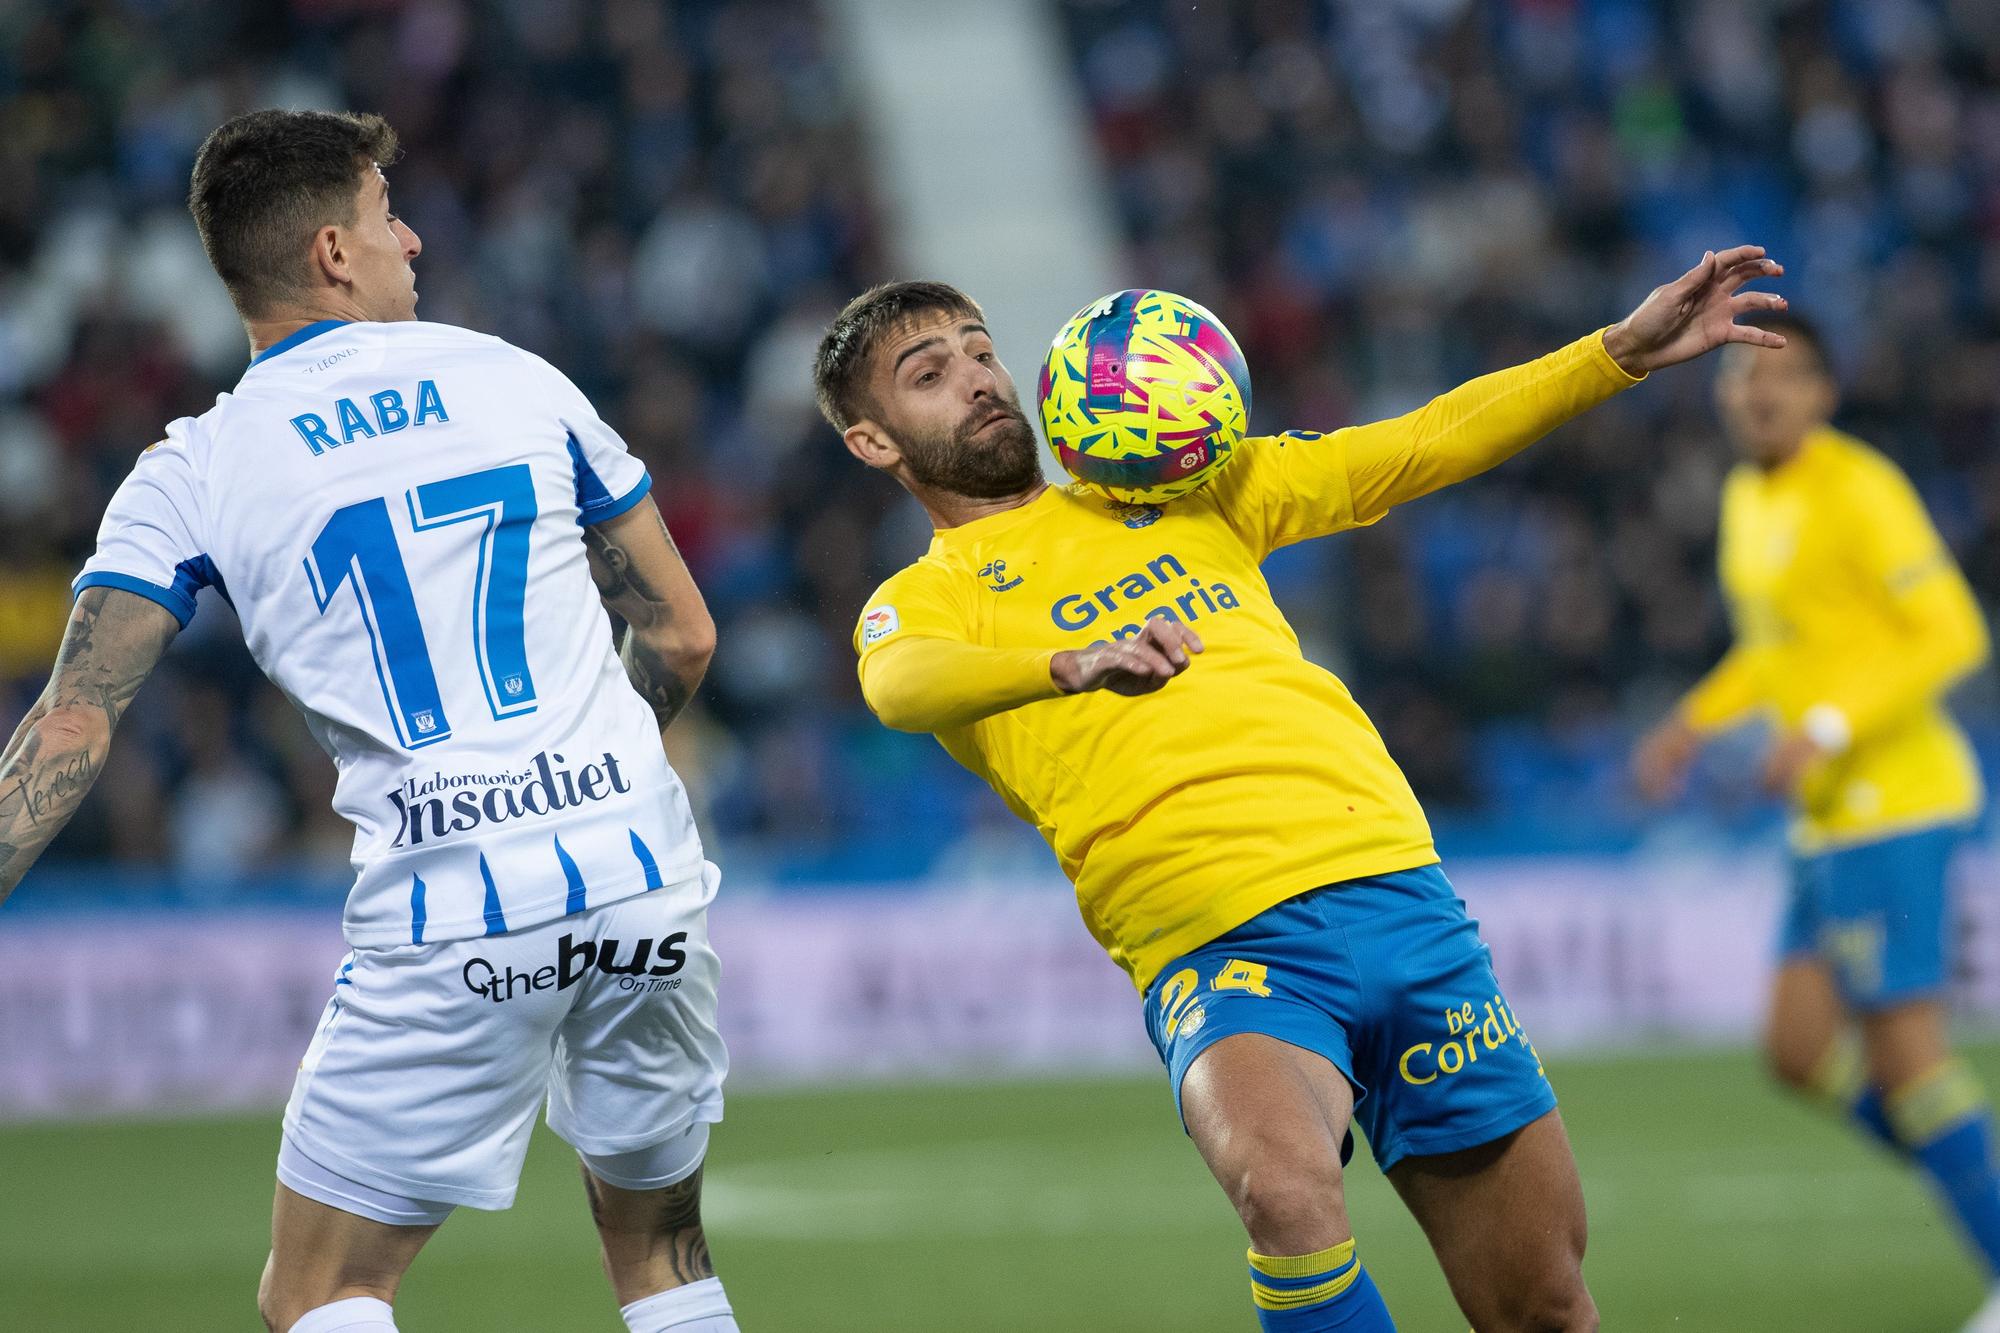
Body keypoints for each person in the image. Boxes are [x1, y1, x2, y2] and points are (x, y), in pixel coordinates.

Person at [815, 247, 1787, 1332]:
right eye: (929, 373)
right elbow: (900, 685)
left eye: (983, 352)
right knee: (1282, 1194)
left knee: (1543, 1306)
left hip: (1397, 894)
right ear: (871, 440)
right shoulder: (923, 599)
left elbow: (1414, 445)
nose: (980, 379)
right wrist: (1070, 662)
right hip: (1216, 940)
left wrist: (1614, 355)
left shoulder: (1184, 489)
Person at [0, 109, 736, 1333]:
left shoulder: (193, 468)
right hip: (641, 866)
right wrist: (586, 770)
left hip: (453, 906)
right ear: (336, 251)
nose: (413, 239)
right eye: (389, 211)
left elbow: (74, 722)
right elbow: (684, 634)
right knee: (662, 1256)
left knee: (323, 1289)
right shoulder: (517, 377)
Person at [1633, 313, 2000, 1331]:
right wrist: (1688, 723)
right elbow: (1775, 649)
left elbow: (1951, 630)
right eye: (1740, 375)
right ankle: (1964, 1172)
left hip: (1893, 801)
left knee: (1907, 1056)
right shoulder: (1747, 496)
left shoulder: (1857, 487)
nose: (1757, 392)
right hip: (1822, 814)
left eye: (1781, 378)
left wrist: (1831, 727)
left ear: (1823, 394)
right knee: (1795, 1049)